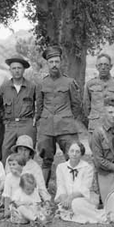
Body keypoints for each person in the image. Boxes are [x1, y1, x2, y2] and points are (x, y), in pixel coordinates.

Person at [35, 47, 82, 185]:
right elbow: (39, 105)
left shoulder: (69, 82)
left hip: (66, 127)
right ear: (47, 64)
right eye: (51, 62)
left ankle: (73, 189)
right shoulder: (42, 83)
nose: (54, 64)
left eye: (57, 61)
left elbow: (76, 105)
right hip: (47, 127)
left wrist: (66, 117)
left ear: (61, 62)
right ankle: (43, 193)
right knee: (46, 159)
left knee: (72, 156)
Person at [0, 56, 38, 160]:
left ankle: (27, 175)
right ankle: (8, 175)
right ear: (10, 70)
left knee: (26, 152)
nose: (17, 71)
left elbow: (39, 104)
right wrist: (5, 120)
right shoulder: (4, 87)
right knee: (6, 150)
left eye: (19, 68)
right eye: (14, 68)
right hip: (11, 124)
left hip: (26, 123)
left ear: (23, 70)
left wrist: (35, 120)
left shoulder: (31, 86)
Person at [55, 141, 104, 224]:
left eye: (77, 152)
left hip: (83, 199)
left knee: (76, 204)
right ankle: (74, 214)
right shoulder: (61, 167)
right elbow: (61, 185)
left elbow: (84, 188)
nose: (74, 154)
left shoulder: (87, 168)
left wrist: (70, 198)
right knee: (62, 208)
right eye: (72, 151)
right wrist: (64, 200)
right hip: (66, 199)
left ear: (81, 154)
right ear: (68, 152)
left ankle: (100, 217)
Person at [85, 54, 114, 134]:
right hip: (96, 126)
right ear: (97, 67)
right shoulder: (90, 84)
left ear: (111, 66)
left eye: (106, 64)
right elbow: (86, 106)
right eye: (100, 65)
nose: (103, 67)